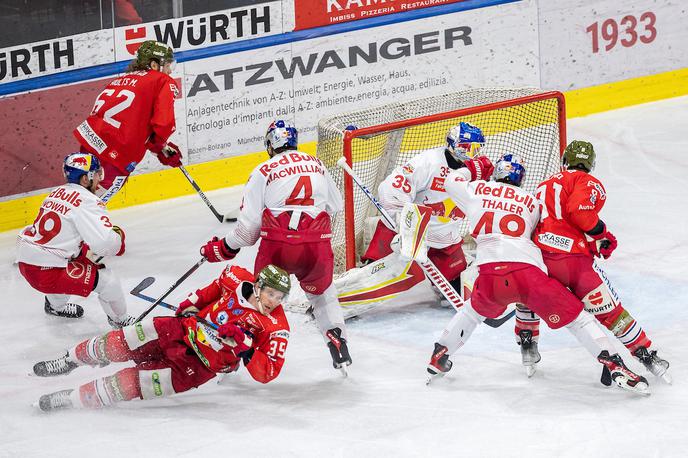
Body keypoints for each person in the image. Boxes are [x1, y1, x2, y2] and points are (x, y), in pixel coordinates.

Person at [426, 153, 650, 395]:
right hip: (527, 273)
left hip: (489, 275)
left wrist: (474, 167)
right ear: (520, 179)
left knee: (470, 312)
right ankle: (615, 365)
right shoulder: (532, 202)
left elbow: (450, 181)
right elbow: (548, 237)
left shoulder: (478, 189)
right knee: (577, 318)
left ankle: (440, 354)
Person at [198, 120, 351, 371]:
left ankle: (232, 356)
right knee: (323, 296)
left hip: (278, 247)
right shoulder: (317, 163)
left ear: (270, 144)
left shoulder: (263, 170)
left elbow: (247, 232)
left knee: (259, 300)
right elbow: (336, 206)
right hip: (316, 246)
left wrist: (224, 247)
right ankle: (337, 341)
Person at [33, 264, 291, 412]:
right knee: (116, 343)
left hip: (194, 367)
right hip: (177, 330)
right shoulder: (236, 276)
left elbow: (268, 372)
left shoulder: (275, 327)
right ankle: (69, 360)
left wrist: (245, 348)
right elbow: (212, 290)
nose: (274, 302)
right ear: (257, 285)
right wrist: (190, 303)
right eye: (271, 294)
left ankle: (70, 399)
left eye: (280, 298)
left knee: (126, 385)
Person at [515, 140, 670, 381]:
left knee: (529, 297)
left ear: (565, 160)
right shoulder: (588, 181)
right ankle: (645, 354)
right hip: (573, 263)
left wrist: (589, 243)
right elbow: (579, 212)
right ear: (590, 164)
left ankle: (528, 343)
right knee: (611, 312)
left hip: (541, 258)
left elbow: (546, 224)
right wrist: (601, 235)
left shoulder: (543, 184)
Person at [326, 122, 487, 319]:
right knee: (371, 275)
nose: (471, 152)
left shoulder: (478, 171)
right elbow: (391, 188)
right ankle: (338, 298)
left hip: (444, 237)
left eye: (476, 148)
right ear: (452, 144)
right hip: (407, 230)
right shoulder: (428, 162)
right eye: (465, 146)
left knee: (455, 292)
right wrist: (404, 223)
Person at [16, 152, 133, 327]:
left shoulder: (56, 192)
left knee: (77, 257)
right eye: (96, 174)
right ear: (86, 179)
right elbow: (104, 245)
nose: (99, 179)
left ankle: (55, 306)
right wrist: (119, 240)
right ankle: (121, 321)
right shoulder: (88, 200)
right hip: (47, 273)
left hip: (27, 262)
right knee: (109, 282)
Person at [73, 40, 182, 202]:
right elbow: (163, 124)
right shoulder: (162, 80)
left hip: (89, 142)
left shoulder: (121, 79)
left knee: (78, 192)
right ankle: (85, 226)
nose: (169, 71)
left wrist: (161, 147)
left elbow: (128, 118)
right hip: (115, 154)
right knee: (92, 202)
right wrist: (159, 146)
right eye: (167, 65)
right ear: (154, 65)